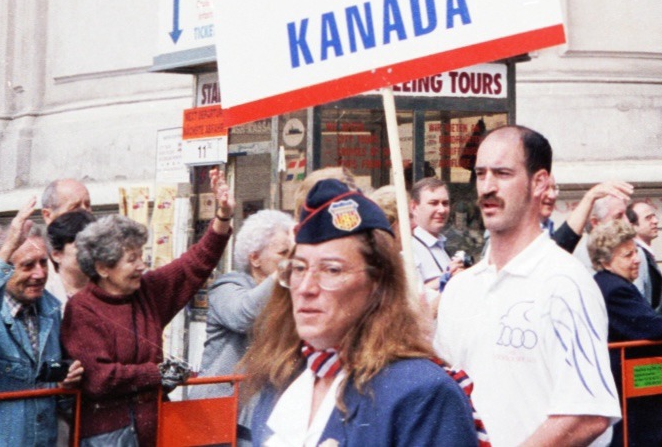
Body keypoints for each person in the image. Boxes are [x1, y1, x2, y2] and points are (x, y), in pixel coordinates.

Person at [238, 180, 483, 447]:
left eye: (331, 270)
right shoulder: (282, 379)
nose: (306, 288)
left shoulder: (421, 392)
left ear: (377, 284)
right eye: (299, 269)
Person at [435, 125, 621, 447]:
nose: (487, 187)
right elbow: (445, 394)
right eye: (481, 174)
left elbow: (588, 413)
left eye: (503, 174)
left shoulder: (565, 283)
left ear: (539, 183)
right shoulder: (460, 289)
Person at [62, 167, 234, 447]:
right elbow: (98, 378)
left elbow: (195, 264)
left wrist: (223, 216)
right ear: (103, 268)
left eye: (142, 256)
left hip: (155, 428)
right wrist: (156, 373)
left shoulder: (147, 290)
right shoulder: (83, 309)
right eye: (132, 259)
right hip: (108, 436)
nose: (142, 265)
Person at [0, 200, 84, 447]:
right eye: (28, 265)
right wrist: (6, 248)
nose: (40, 274)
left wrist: (64, 384)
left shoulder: (51, 310)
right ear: (4, 270)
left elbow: (46, 388)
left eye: (43, 262)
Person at [588, 219, 662, 447]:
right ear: (605, 262)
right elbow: (655, 328)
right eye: (627, 255)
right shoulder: (615, 288)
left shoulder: (606, 283)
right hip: (631, 385)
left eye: (636, 252)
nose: (637, 259)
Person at [199, 208, 295, 387]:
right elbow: (243, 316)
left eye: (293, 253)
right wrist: (285, 269)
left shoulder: (288, 291)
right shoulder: (227, 286)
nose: (291, 260)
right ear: (255, 258)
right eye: (283, 254)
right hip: (220, 404)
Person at [625, 200, 662, 326]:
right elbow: (640, 299)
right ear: (632, 225)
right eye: (648, 218)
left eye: (654, 216)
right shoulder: (637, 255)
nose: (655, 221)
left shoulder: (644, 253)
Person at [44, 210, 96, 304]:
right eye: (80, 245)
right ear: (57, 255)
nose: (89, 252)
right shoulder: (45, 297)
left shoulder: (109, 291)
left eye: (92, 244)